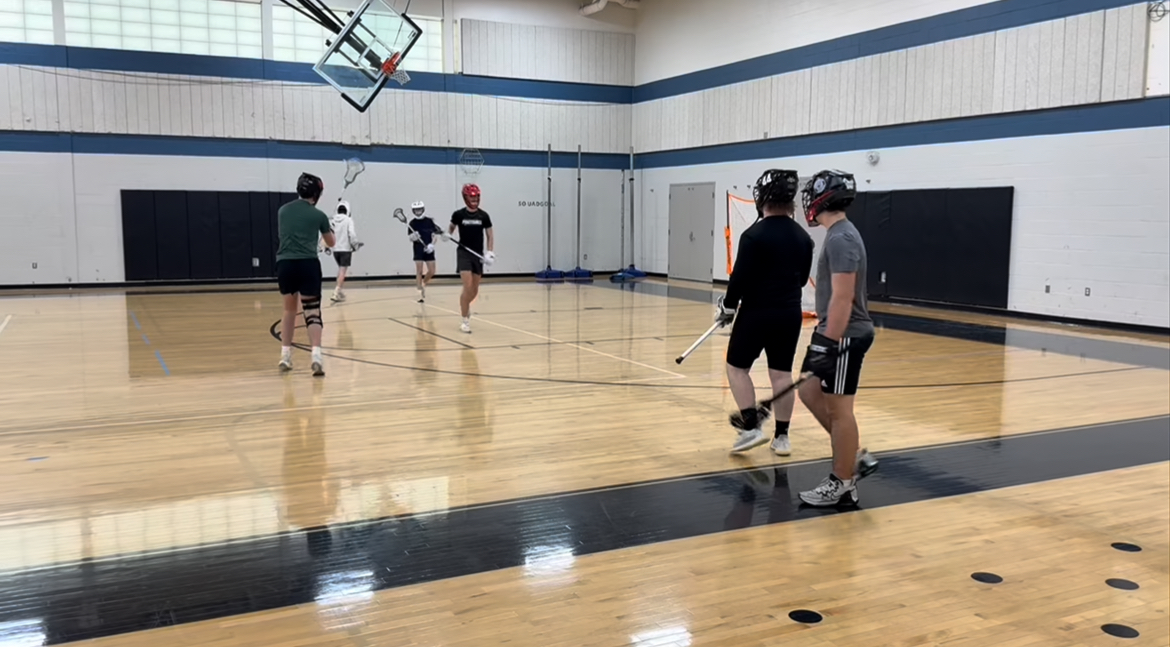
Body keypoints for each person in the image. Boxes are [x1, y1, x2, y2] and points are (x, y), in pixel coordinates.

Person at [795, 169, 879, 506]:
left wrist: (827, 343)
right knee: (807, 389)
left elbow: (843, 298)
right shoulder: (838, 234)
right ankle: (852, 456)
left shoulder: (842, 238)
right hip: (834, 333)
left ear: (821, 199)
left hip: (845, 335)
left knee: (840, 410)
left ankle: (843, 481)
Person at [717, 169, 814, 455]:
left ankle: (750, 427)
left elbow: (740, 279)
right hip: (789, 314)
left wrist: (727, 306)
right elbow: (801, 278)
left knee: (736, 368)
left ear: (763, 199)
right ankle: (782, 438)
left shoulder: (753, 236)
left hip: (757, 313)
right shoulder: (802, 238)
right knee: (781, 375)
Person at [276, 172, 334, 376]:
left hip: (285, 264)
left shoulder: (283, 211)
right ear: (317, 193)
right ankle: (316, 356)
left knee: (289, 311)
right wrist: (329, 227)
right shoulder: (319, 216)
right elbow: (331, 243)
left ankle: (285, 356)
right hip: (308, 265)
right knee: (312, 312)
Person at [448, 184, 495, 333]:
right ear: (465, 198)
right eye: (471, 197)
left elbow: (489, 235)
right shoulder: (459, 215)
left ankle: (464, 304)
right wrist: (447, 234)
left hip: (478, 255)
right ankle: (465, 320)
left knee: (474, 290)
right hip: (463, 253)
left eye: (476, 197)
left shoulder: (484, 216)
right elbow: (450, 228)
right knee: (467, 285)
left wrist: (489, 252)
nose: (474, 200)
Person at [408, 200, 439, 303]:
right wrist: (414, 237)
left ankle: (424, 283)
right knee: (419, 271)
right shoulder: (412, 223)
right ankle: (419, 292)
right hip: (418, 249)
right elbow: (410, 237)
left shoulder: (429, 221)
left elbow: (434, 235)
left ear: (423, 209)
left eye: (419, 209)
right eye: (416, 210)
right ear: (413, 211)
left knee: (432, 270)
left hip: (428, 249)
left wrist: (432, 245)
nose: (418, 211)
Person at [329, 200, 358, 303]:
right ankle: (336, 292)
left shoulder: (332, 220)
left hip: (335, 250)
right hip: (345, 249)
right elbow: (352, 234)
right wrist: (355, 244)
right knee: (342, 272)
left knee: (340, 271)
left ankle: (339, 291)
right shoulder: (348, 220)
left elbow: (329, 233)